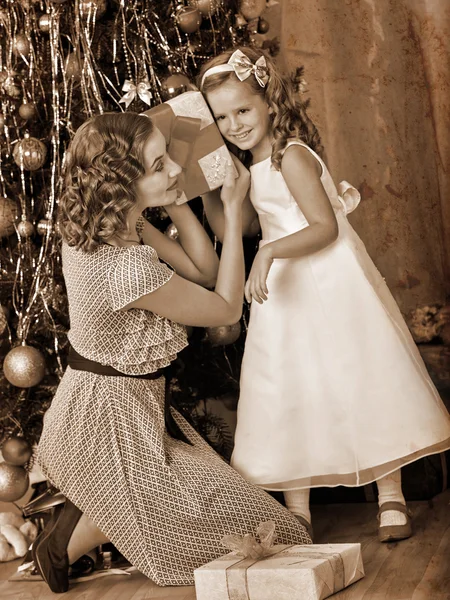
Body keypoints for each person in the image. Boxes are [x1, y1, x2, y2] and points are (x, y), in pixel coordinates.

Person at [33, 112, 311, 594]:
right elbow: (224, 306)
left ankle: (90, 508)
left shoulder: (115, 225)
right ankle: (67, 537)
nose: (175, 169)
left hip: (120, 414)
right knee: (278, 534)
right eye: (159, 166)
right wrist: (232, 203)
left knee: (278, 531)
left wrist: (177, 199)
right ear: (120, 182)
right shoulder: (122, 268)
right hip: (105, 427)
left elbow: (203, 270)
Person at [198, 47, 450, 543]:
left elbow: (325, 228)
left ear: (269, 101)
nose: (234, 124)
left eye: (242, 110)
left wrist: (269, 254)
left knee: (360, 374)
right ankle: (298, 512)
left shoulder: (290, 156)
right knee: (290, 385)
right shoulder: (250, 167)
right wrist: (215, 191)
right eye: (222, 118)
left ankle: (391, 495)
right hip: (287, 300)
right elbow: (236, 229)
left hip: (331, 282)